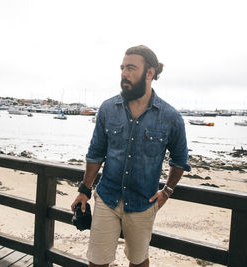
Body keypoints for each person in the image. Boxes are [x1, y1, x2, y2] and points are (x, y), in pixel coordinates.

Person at [71, 45, 191, 267]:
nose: (124, 73)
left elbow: (180, 160)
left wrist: (167, 191)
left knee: (138, 262)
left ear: (150, 73)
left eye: (131, 68)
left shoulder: (171, 117)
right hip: (107, 199)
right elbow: (96, 154)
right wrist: (84, 191)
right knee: (96, 262)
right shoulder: (108, 109)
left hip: (143, 204)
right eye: (123, 68)